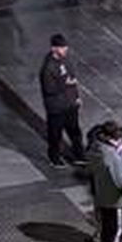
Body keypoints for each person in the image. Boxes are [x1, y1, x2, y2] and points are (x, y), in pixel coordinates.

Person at [39, 33, 85, 167]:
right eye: (61, 48)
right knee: (55, 134)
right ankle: (54, 158)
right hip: (57, 107)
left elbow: (73, 79)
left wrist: (76, 97)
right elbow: (49, 89)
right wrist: (65, 83)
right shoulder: (48, 68)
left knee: (75, 131)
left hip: (70, 104)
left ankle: (79, 155)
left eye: (65, 47)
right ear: (54, 49)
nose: (65, 50)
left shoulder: (66, 61)